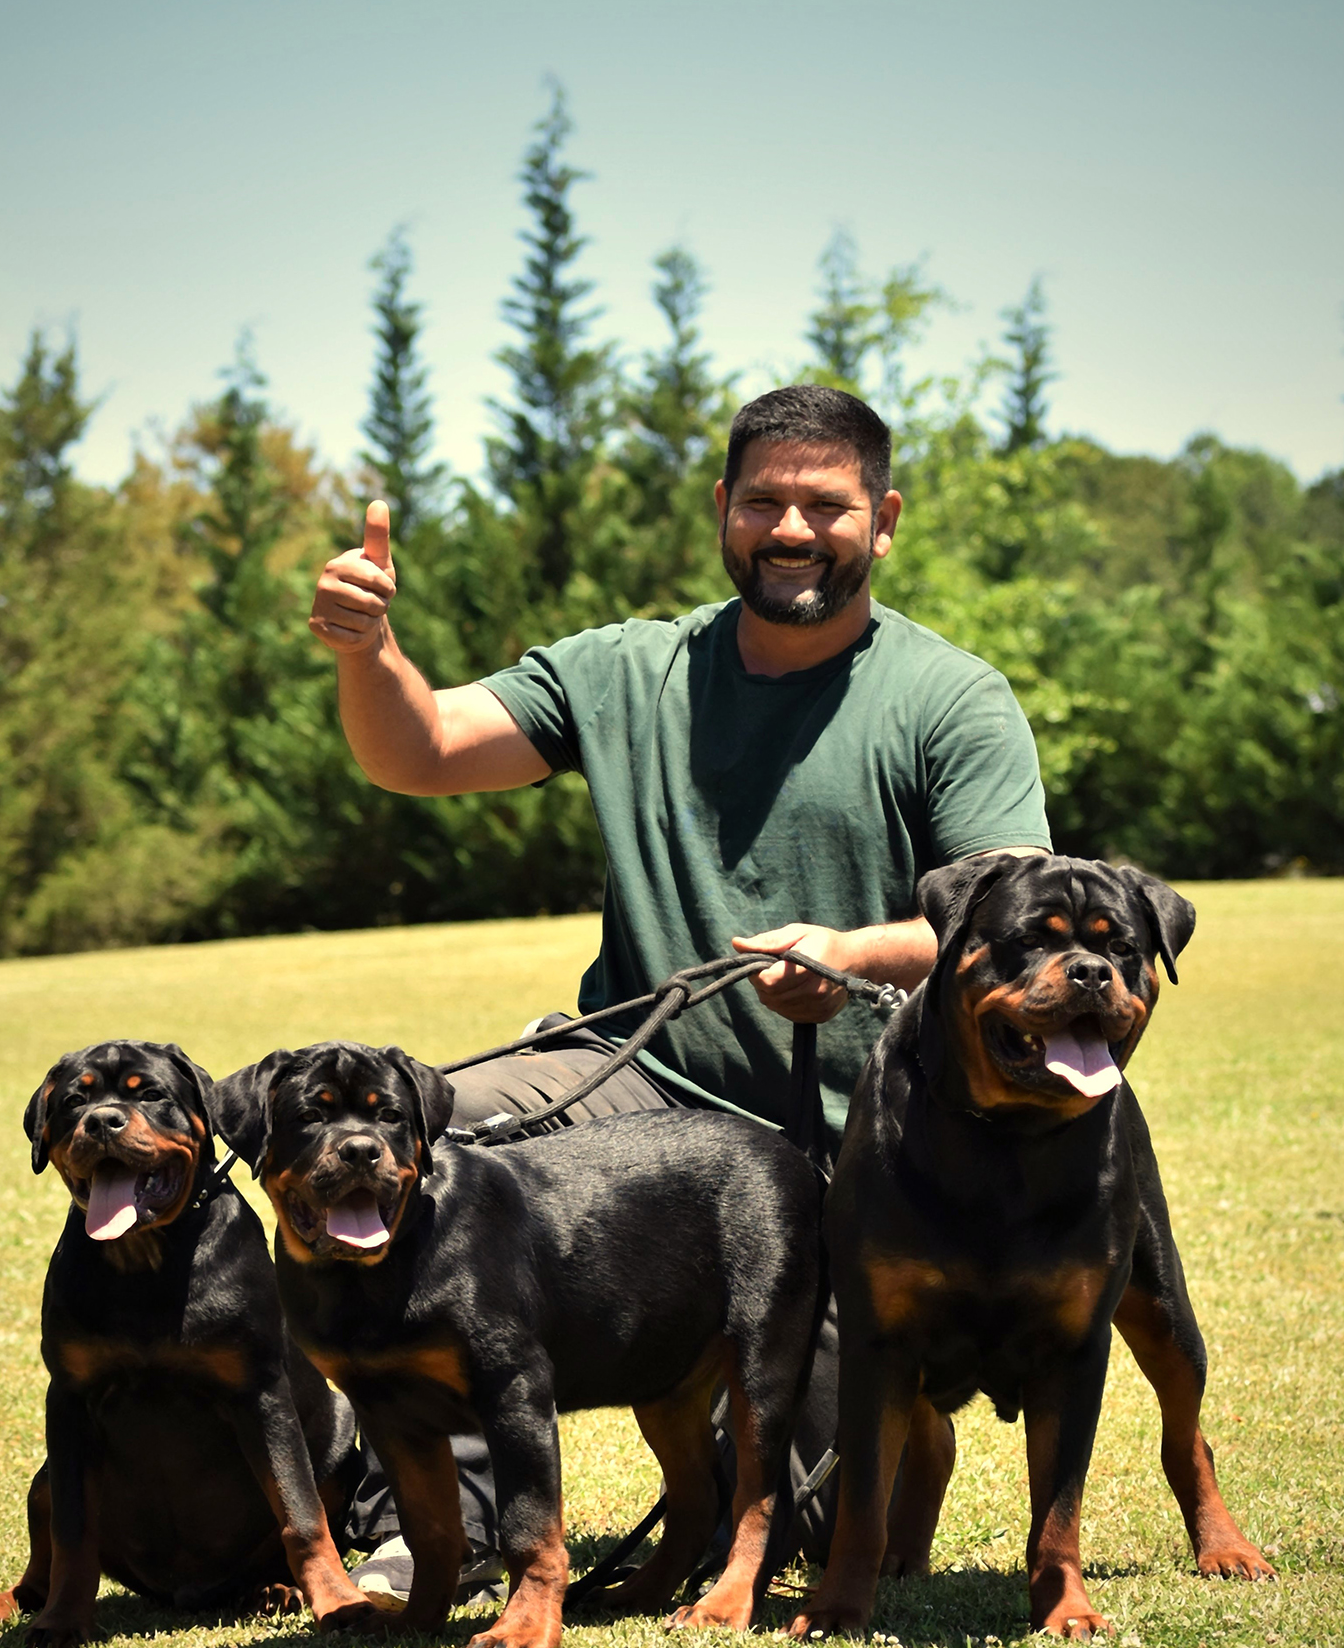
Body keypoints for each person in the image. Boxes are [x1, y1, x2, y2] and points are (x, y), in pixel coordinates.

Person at [310, 384, 1051, 1578]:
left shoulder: (949, 700)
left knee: (817, 1532)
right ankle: (421, 1523)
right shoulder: (625, 672)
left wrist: (854, 956)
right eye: (765, 500)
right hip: (631, 1085)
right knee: (445, 1157)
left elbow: (1009, 928)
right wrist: (371, 650)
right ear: (723, 508)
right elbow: (418, 751)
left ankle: (878, 1436)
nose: (792, 529)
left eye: (827, 504)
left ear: (886, 518)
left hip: (845, 1145)